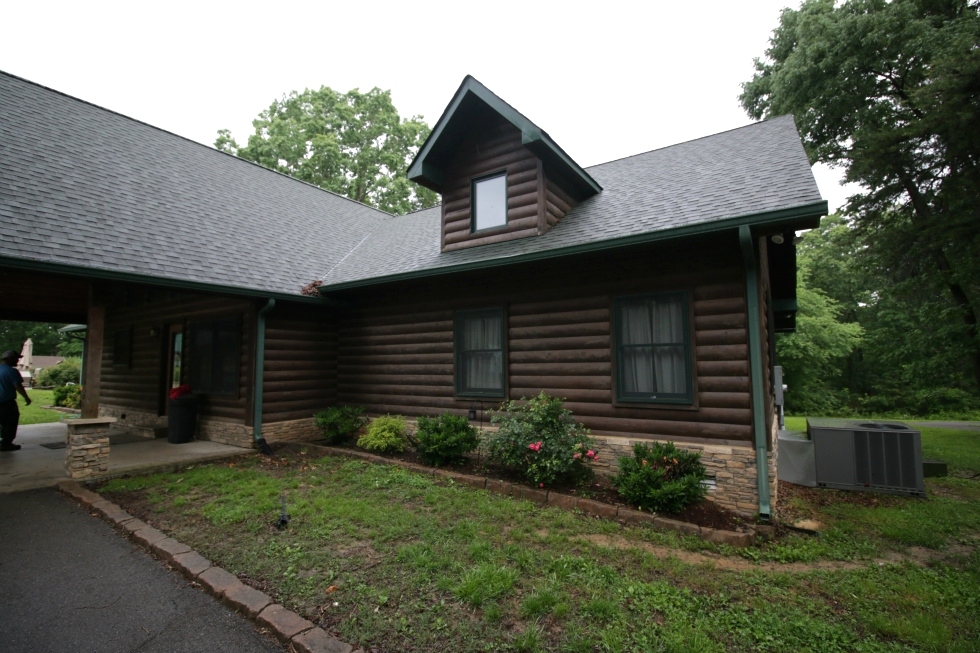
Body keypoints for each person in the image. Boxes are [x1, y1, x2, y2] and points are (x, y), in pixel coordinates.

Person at [0, 349, 31, 451]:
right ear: (10, 359)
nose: (17, 361)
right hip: (6, 403)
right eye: (16, 359)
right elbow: (18, 386)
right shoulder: (12, 371)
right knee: (10, 423)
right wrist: (26, 398)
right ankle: (6, 444)